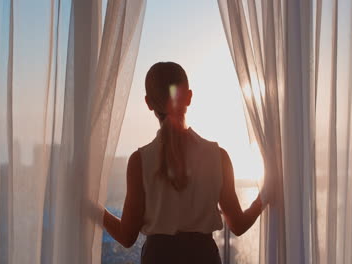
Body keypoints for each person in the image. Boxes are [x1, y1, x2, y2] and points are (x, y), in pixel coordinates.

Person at [101, 62, 268, 264]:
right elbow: (238, 225)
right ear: (189, 97)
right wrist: (264, 197)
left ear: (148, 103)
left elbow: (127, 237)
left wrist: (93, 207)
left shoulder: (139, 161)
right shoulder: (218, 156)